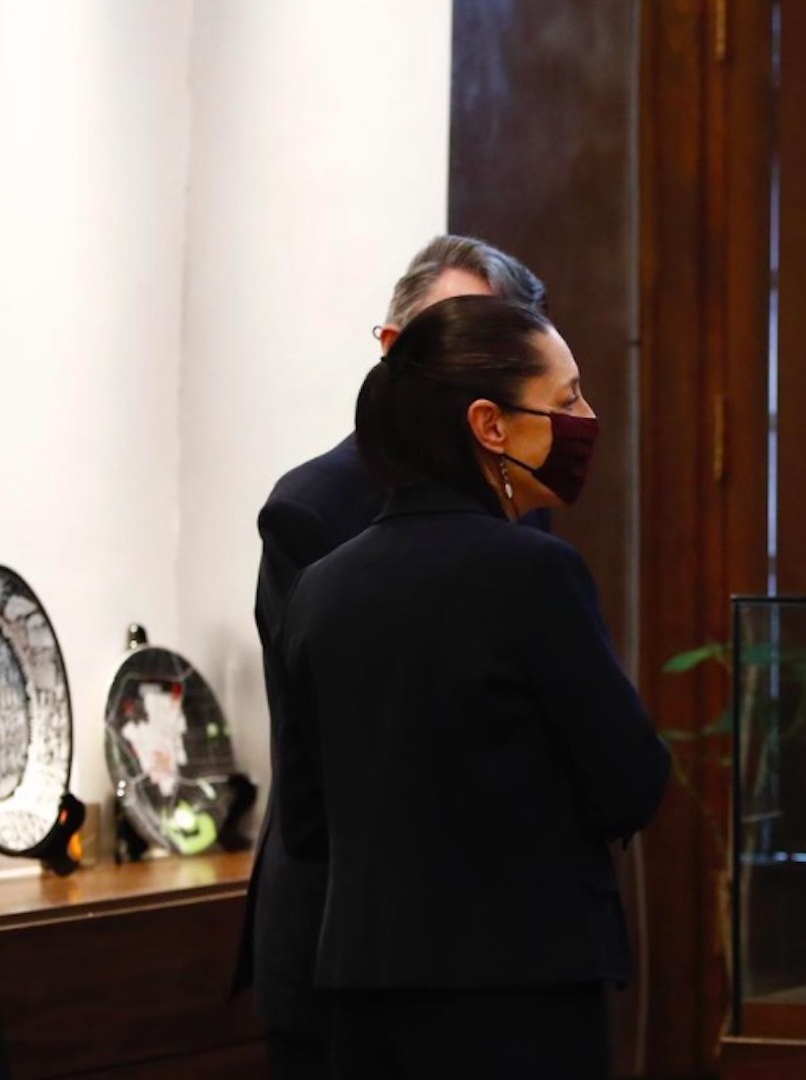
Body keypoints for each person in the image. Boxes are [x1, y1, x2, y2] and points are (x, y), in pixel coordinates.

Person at [274, 294, 670, 1078]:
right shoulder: (534, 572)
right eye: (567, 400)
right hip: (516, 998)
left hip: (364, 997)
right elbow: (631, 783)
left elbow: (306, 818)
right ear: (490, 425)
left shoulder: (319, 588)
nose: (586, 418)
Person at [239, 235, 552, 1078]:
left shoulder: (523, 507)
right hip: (348, 944)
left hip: (495, 961)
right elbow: (320, 768)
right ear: (389, 351)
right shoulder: (312, 509)